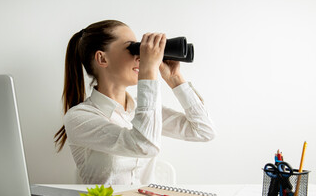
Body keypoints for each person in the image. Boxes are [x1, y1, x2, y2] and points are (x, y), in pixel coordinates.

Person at [54, 20, 216, 185]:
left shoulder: (140, 108)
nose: (140, 57)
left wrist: (175, 78)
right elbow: (144, 145)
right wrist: (148, 70)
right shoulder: (79, 117)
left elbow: (203, 131)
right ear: (102, 58)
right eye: (133, 48)